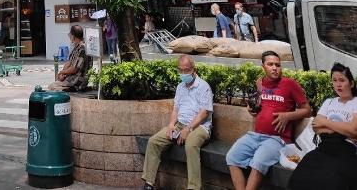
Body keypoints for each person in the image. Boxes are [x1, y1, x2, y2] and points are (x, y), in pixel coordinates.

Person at [226, 50, 311, 190]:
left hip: (277, 139)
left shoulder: (290, 84)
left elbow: (307, 110)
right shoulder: (260, 82)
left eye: (278, 65)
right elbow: (259, 103)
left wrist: (287, 116)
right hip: (255, 135)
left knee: (258, 163)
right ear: (263, 66)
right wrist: (250, 107)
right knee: (232, 157)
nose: (275, 68)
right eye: (270, 64)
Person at [140, 54, 213, 190]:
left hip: (199, 127)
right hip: (180, 124)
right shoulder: (180, 87)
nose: (183, 73)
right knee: (154, 141)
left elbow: (204, 113)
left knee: (191, 145)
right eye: (181, 70)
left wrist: (188, 129)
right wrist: (171, 125)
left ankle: (194, 187)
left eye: (186, 70)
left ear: (194, 70)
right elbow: (176, 110)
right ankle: (149, 184)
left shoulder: (204, 87)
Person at [287, 62, 357, 190]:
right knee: (298, 177)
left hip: (346, 150)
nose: (338, 84)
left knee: (332, 181)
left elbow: (353, 130)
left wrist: (325, 122)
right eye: (335, 80)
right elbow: (316, 126)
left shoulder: (355, 102)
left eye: (342, 80)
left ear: (351, 83)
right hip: (324, 147)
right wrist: (343, 129)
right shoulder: (329, 102)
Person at [48, 25, 91, 91]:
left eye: (69, 35)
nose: (69, 37)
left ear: (73, 37)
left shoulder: (82, 49)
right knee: (57, 80)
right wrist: (62, 73)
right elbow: (69, 61)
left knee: (52, 87)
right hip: (71, 77)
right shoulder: (76, 47)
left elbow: (74, 69)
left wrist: (62, 72)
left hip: (77, 80)